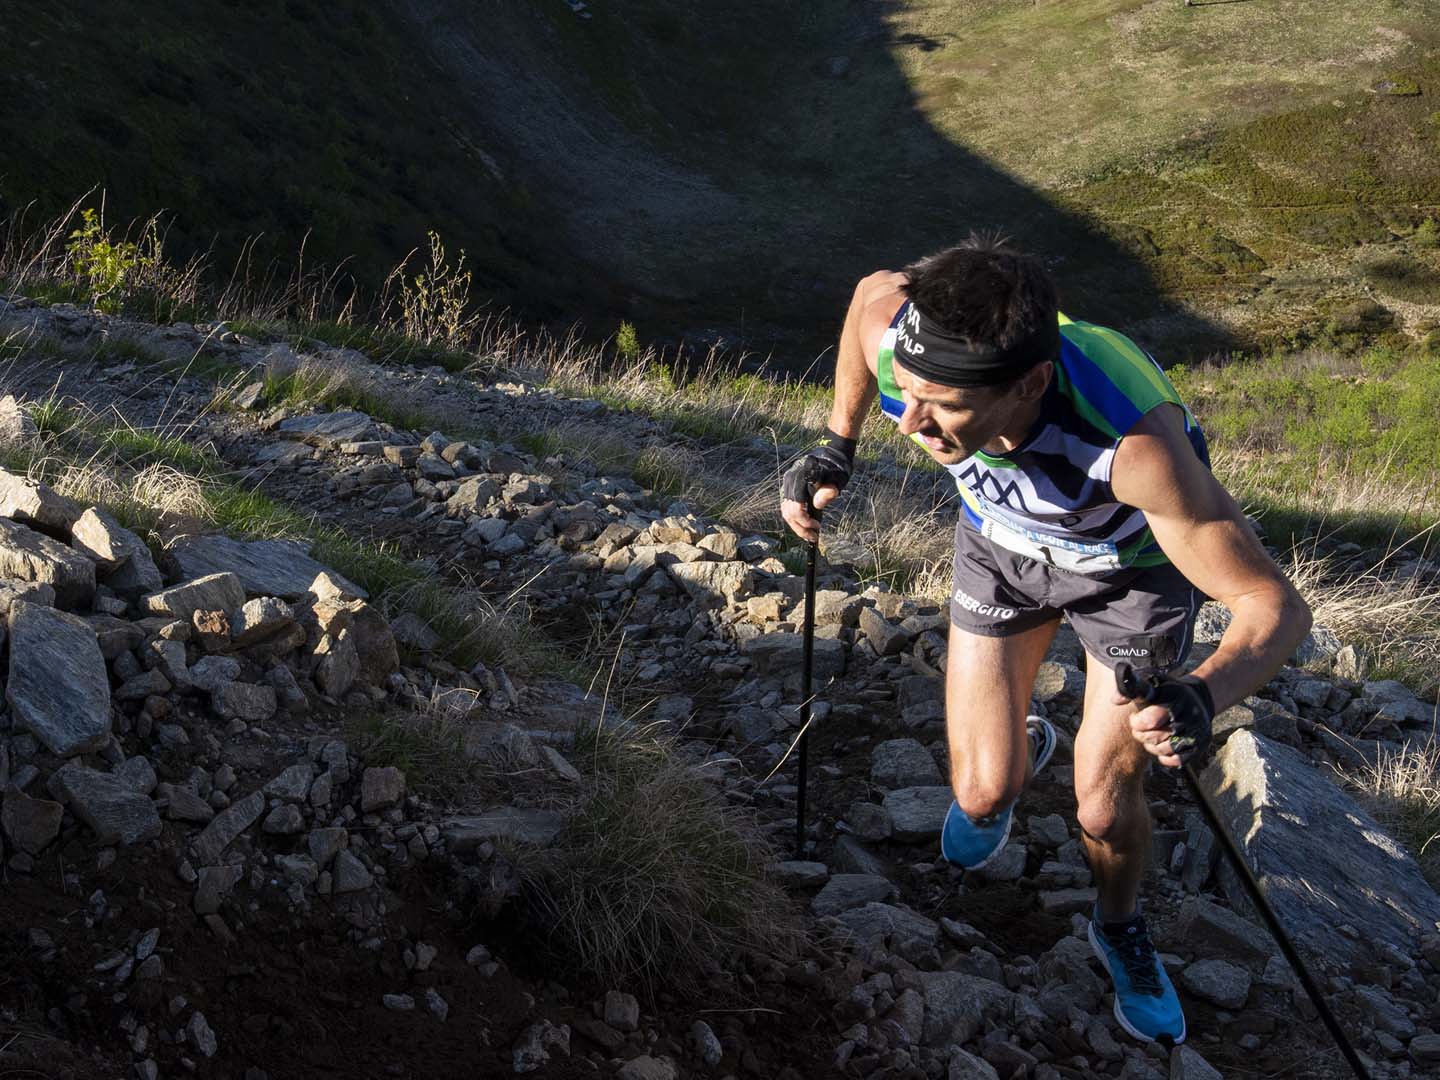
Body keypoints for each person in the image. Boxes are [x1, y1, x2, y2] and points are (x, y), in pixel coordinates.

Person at [780, 234, 1311, 1045]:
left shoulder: (1133, 447)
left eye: (943, 405)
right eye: (905, 393)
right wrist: (836, 443)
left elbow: (1273, 605)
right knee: (981, 794)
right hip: (1001, 553)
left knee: (1102, 806)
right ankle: (1022, 748)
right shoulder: (905, 345)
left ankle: (1119, 926)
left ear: (1028, 384)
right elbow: (865, 298)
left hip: (1128, 578)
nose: (911, 422)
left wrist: (1203, 695)